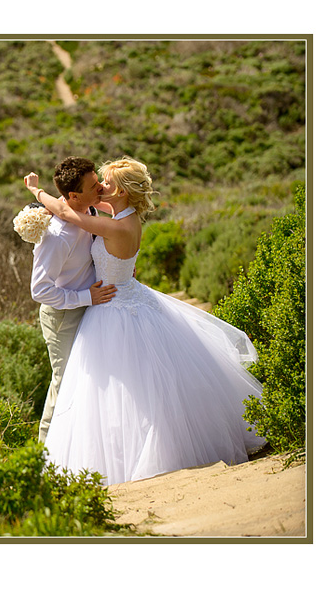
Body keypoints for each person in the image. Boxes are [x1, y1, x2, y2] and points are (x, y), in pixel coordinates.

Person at [24, 157, 265, 485]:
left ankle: (115, 457)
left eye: (104, 183)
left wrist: (36, 192)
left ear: (120, 191)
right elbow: (72, 228)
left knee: (115, 387)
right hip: (115, 299)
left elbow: (68, 213)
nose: (100, 187)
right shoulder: (119, 215)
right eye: (97, 185)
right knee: (117, 383)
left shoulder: (111, 221)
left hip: (112, 306)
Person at [30, 157, 117, 444]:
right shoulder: (56, 237)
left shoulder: (90, 209)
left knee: (93, 379)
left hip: (91, 310)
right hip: (63, 318)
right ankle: (43, 454)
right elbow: (40, 291)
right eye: (94, 186)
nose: (100, 188)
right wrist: (86, 296)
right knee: (64, 382)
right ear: (74, 196)